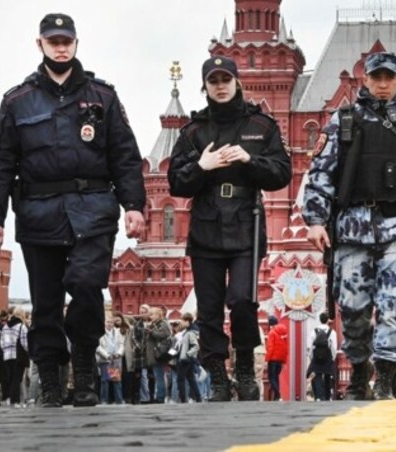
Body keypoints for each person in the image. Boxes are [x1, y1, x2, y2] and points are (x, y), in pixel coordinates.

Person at [0, 13, 146, 408]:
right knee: (46, 300)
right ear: (40, 44)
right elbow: (1, 162)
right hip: (39, 212)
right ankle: (52, 377)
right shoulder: (17, 101)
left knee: (88, 285)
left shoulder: (102, 96)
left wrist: (134, 206)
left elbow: (125, 155)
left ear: (75, 43)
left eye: (66, 40)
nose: (60, 46)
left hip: (94, 210)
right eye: (53, 40)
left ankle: (84, 365)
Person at [303, 51, 396, 400]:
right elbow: (321, 173)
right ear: (365, 79)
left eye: (389, 78)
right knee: (351, 306)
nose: (382, 84)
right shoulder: (343, 120)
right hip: (352, 227)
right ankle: (360, 367)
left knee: (394, 303)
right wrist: (316, 220)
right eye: (376, 77)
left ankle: (383, 376)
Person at [167, 56, 292, 402]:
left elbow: (282, 173)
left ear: (237, 82)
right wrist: (201, 166)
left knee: (242, 300)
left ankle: (243, 369)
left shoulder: (261, 126)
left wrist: (251, 160)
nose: (220, 86)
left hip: (245, 224)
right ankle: (218, 375)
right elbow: (176, 182)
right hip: (206, 226)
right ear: (205, 86)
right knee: (208, 307)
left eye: (226, 79)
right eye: (213, 81)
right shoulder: (194, 131)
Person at [1, 307, 30, 407]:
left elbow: (1, 342)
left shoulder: (5, 327)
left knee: (10, 378)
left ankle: (10, 399)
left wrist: (6, 350)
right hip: (18, 356)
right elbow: (25, 343)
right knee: (17, 379)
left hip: (7, 355)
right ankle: (15, 401)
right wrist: (28, 352)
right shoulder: (21, 326)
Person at [307, 312, 338, 401]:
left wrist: (312, 357)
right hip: (327, 355)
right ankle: (327, 396)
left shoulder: (314, 331)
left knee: (318, 375)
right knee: (328, 375)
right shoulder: (332, 332)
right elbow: (334, 347)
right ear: (328, 320)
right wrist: (332, 357)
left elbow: (311, 346)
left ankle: (319, 396)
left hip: (317, 355)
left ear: (319, 320)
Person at [96, 316, 124, 404]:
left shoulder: (117, 332)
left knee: (116, 380)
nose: (109, 324)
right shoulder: (100, 332)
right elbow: (98, 346)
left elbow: (121, 344)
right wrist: (106, 355)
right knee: (105, 380)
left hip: (115, 359)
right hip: (105, 359)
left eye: (111, 322)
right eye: (108, 322)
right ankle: (104, 400)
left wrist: (119, 353)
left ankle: (119, 400)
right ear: (104, 323)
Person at [176, 313, 202, 403]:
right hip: (189, 358)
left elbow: (196, 346)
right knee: (191, 379)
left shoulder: (190, 332)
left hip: (185, 359)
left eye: (182, 321)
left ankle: (183, 399)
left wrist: (186, 355)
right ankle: (198, 398)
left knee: (180, 379)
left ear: (187, 321)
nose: (181, 323)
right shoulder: (191, 330)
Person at [265, 315, 288, 401]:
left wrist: (267, 359)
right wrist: (284, 361)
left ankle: (278, 395)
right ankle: (276, 397)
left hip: (273, 359)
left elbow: (270, 347)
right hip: (280, 359)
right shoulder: (284, 333)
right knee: (276, 377)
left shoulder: (272, 333)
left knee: (272, 377)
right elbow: (286, 347)